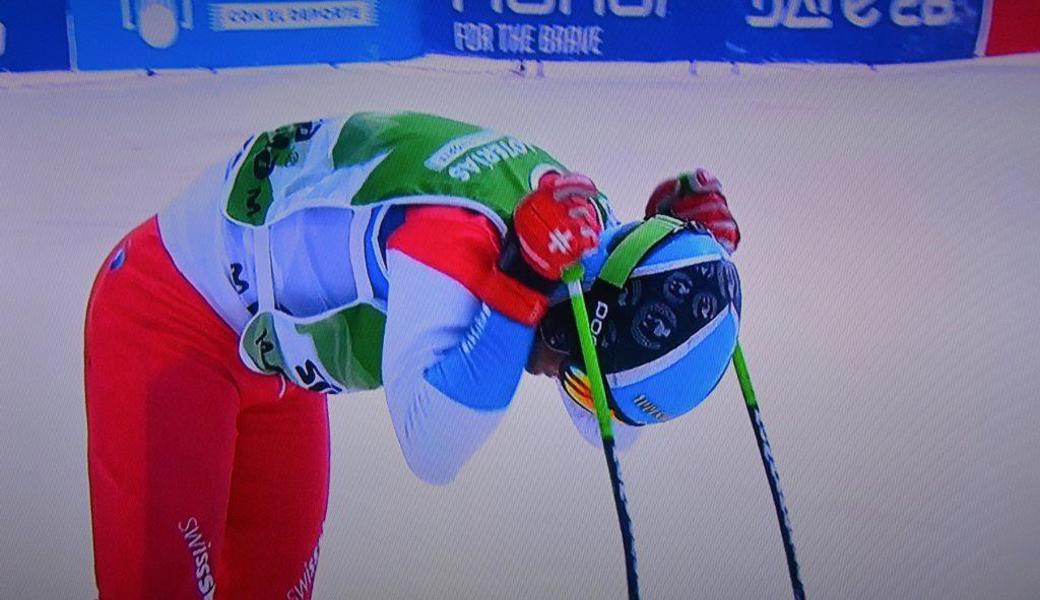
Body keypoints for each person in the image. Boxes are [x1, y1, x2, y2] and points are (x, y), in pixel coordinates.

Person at [83, 111, 741, 599]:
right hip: (170, 321)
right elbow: (431, 447)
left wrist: (683, 251)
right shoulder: (460, 244)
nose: (552, 379)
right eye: (570, 373)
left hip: (270, 354)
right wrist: (513, 294)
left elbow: (606, 380)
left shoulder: (583, 231)